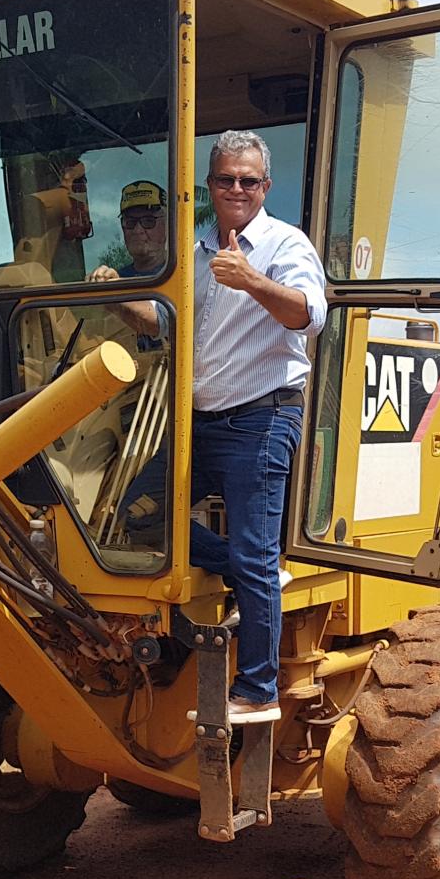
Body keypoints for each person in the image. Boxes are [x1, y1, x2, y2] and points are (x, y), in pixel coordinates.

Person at [188, 129, 325, 724]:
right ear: (211, 187)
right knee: (132, 520)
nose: (237, 188)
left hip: (262, 416)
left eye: (248, 180)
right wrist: (121, 296)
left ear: (265, 187)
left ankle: (258, 687)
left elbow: (308, 313)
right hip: (199, 419)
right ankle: (256, 575)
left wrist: (251, 279)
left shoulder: (284, 243)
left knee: (252, 550)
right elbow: (171, 328)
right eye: (226, 179)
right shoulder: (195, 252)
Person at [89, 180, 168, 281]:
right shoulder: (115, 279)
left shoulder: (186, 274)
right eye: (130, 222)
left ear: (167, 226)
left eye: (148, 221)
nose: (137, 230)